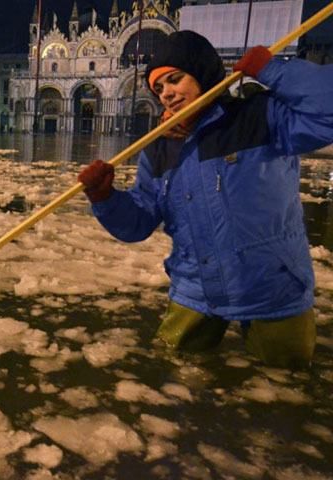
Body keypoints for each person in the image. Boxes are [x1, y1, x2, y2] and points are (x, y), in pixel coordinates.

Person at [78, 31, 333, 369]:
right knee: (175, 373)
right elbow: (138, 222)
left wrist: (273, 70)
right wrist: (105, 197)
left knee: (287, 383)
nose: (166, 93)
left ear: (201, 73)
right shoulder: (159, 148)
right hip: (196, 290)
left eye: (174, 79)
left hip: (272, 287)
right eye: (158, 89)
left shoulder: (261, 118)